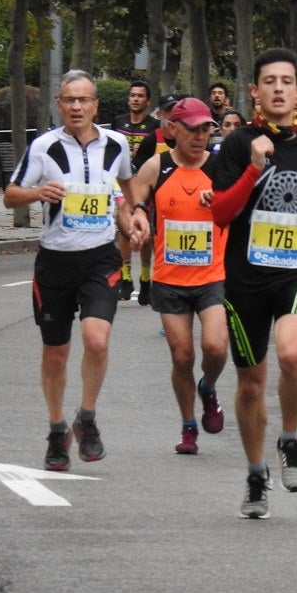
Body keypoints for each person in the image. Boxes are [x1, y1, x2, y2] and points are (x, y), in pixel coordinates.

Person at [210, 47, 297, 520]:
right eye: (269, 81)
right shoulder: (236, 144)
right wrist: (252, 167)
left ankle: (289, 440)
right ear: (255, 91)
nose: (278, 89)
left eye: (286, 81)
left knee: (291, 353)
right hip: (245, 279)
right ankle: (254, 474)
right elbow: (221, 214)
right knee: (250, 385)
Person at [3, 70, 133, 471]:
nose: (76, 107)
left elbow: (128, 191)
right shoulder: (43, 147)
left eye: (83, 100)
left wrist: (135, 217)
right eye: (68, 100)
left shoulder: (117, 145)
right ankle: (57, 428)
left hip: (100, 257)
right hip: (55, 260)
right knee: (55, 353)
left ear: (96, 104)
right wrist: (37, 192)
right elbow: (10, 196)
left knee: (97, 340)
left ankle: (87, 419)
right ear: (58, 104)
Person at [121, 97, 229, 455]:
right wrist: (139, 215)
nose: (200, 136)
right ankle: (188, 426)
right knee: (181, 356)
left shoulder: (219, 164)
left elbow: (240, 202)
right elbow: (134, 194)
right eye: (192, 129)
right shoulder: (158, 165)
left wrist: (223, 200)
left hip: (213, 274)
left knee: (214, 347)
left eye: (205, 129)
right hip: (171, 277)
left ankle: (209, 387)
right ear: (173, 130)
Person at [111, 80, 161, 300]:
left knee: (144, 231)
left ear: (147, 101)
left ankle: (145, 277)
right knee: (124, 226)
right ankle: (125, 277)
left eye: (140, 96)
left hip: (144, 184)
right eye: (132, 95)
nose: (135, 99)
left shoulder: (154, 126)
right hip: (121, 182)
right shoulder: (118, 122)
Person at [132, 93, 183, 306]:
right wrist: (137, 206)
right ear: (160, 114)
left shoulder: (187, 137)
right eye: (168, 111)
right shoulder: (152, 140)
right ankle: (145, 277)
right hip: (155, 200)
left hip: (181, 199)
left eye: (176, 111)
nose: (171, 116)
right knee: (150, 240)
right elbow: (137, 174)